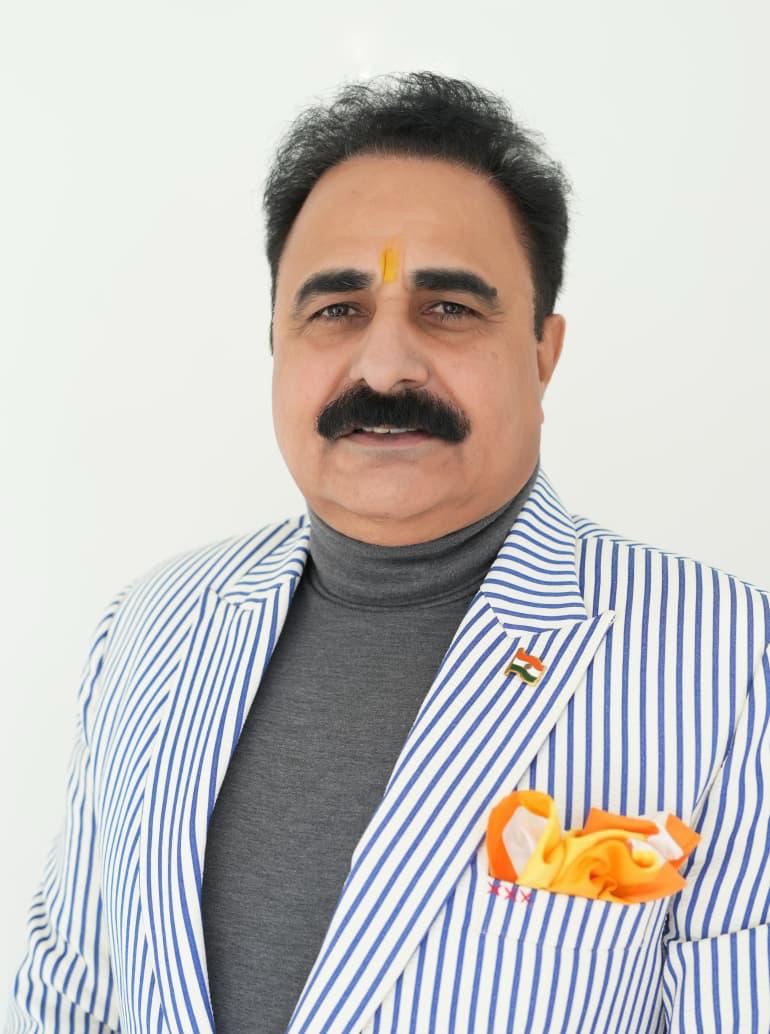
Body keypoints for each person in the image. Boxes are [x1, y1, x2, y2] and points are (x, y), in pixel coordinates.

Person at [5, 71, 769, 1034]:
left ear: (543, 353)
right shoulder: (151, 626)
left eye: (449, 308)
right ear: (276, 342)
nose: (386, 365)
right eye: (337, 310)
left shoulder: (734, 663)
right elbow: (69, 992)